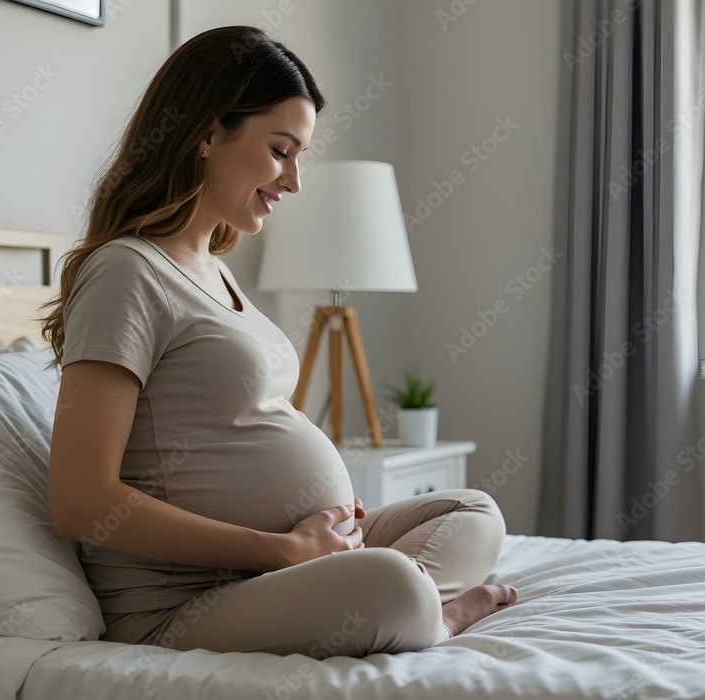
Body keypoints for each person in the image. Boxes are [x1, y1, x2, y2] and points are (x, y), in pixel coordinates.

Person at [39, 25, 517, 659]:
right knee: (393, 584)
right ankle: (437, 615)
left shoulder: (214, 268)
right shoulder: (126, 271)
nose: (292, 181)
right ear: (208, 134)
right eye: (280, 150)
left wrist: (323, 514)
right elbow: (80, 501)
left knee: (472, 510)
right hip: (184, 602)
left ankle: (403, 603)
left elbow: (240, 421)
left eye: (299, 157)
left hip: (283, 560)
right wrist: (280, 549)